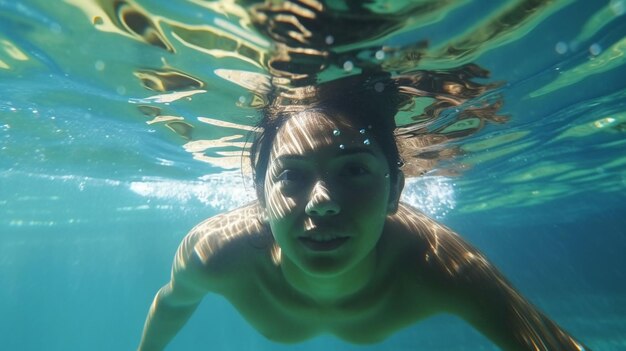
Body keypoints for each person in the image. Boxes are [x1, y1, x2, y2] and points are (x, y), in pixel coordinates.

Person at [137, 74, 590, 351]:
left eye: (352, 170)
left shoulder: (441, 266)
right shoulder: (215, 252)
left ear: (396, 189)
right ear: (260, 195)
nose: (322, 200)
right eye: (292, 176)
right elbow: (171, 303)